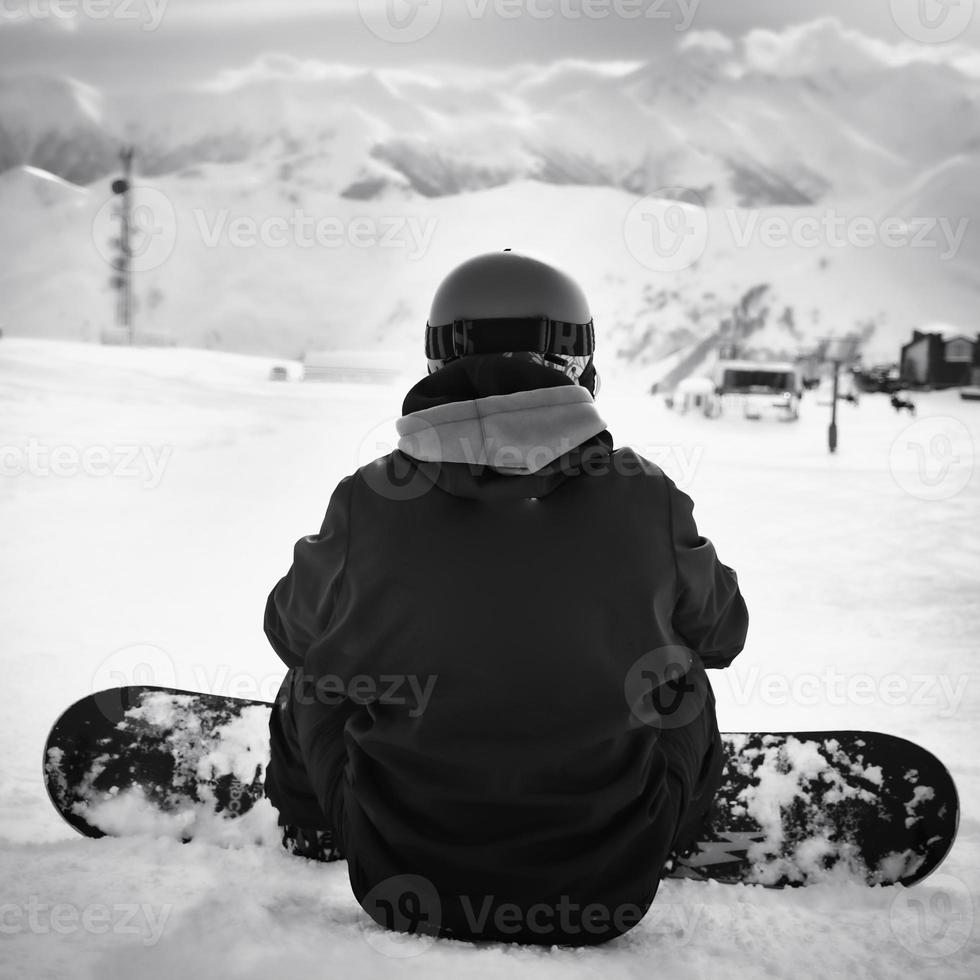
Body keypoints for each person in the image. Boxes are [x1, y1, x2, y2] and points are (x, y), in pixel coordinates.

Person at [262, 251, 748, 946]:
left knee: (319, 664)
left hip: (401, 879)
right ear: (580, 365)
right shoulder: (647, 496)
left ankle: (310, 821)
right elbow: (723, 634)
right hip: (607, 885)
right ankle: (676, 821)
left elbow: (289, 633)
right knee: (683, 673)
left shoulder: (370, 498)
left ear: (437, 363)